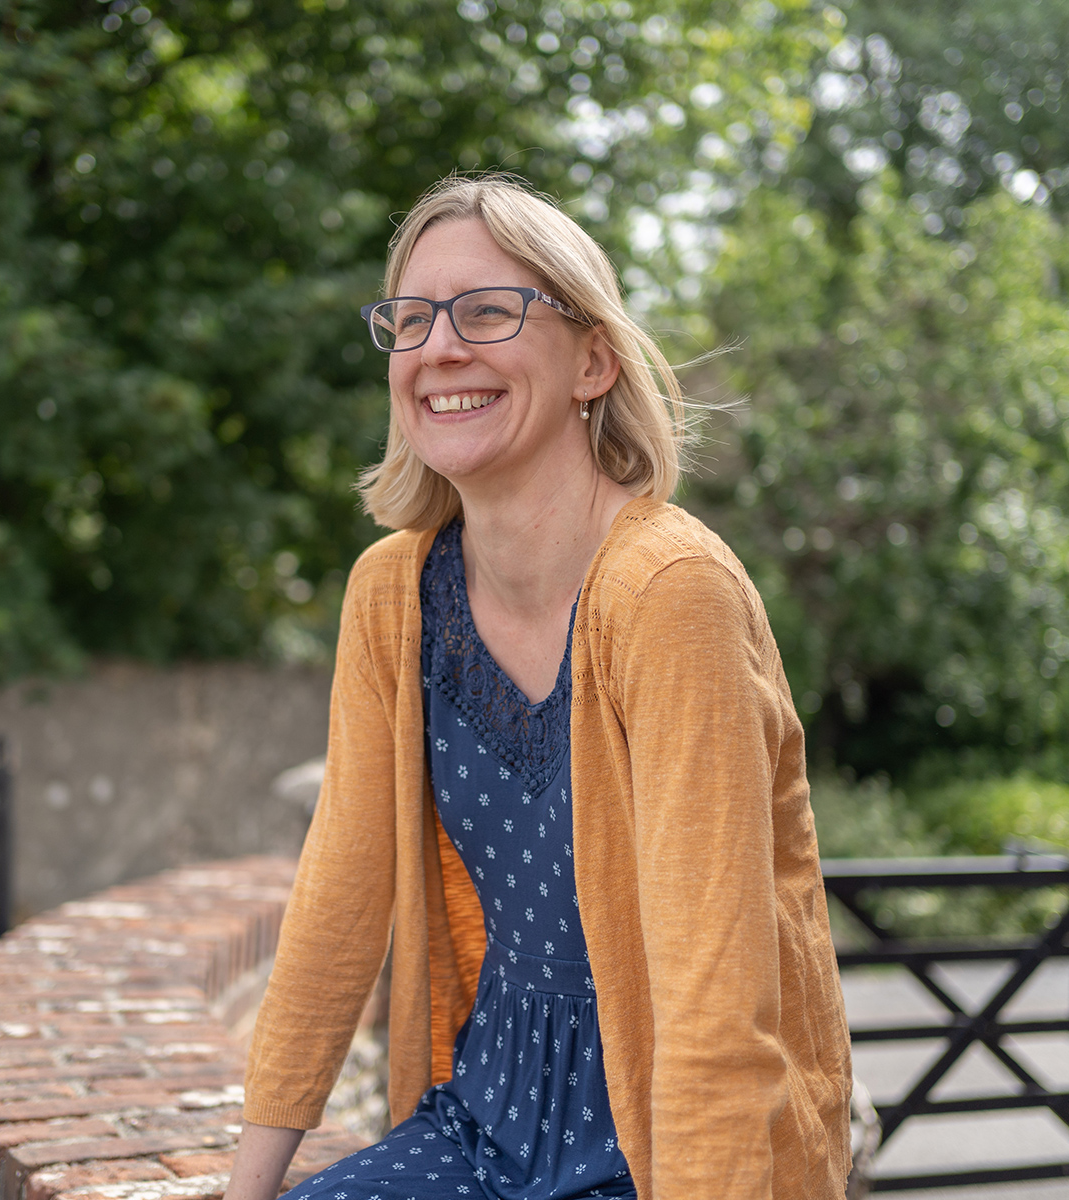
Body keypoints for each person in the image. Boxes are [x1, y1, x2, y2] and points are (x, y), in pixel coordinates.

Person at [224, 175, 852, 1200]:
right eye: (412, 320)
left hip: (660, 1145)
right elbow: (337, 905)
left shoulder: (668, 593)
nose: (440, 349)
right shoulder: (393, 593)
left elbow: (717, 999)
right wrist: (249, 1192)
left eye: (487, 311)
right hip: (483, 1113)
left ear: (593, 361)